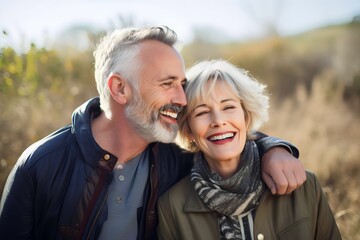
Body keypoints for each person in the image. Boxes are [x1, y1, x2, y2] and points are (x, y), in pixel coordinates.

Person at [0, 26, 305, 240]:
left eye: (182, 84)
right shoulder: (42, 165)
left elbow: (224, 136)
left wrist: (273, 149)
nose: (182, 99)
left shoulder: (177, 155)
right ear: (119, 88)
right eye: (167, 83)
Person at [157, 59, 341, 240]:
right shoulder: (171, 207)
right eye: (202, 112)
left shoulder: (305, 186)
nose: (218, 121)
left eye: (228, 107)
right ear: (188, 130)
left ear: (246, 118)